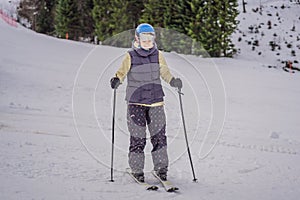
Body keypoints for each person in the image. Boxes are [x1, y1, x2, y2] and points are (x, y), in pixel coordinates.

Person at [110, 23, 182, 182]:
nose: (147, 41)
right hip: (135, 103)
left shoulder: (158, 55)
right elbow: (121, 72)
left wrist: (173, 81)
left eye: (150, 38)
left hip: (156, 102)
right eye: (144, 38)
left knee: (159, 137)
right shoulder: (130, 56)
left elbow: (164, 72)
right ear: (137, 38)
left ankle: (161, 170)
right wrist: (116, 79)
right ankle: (137, 170)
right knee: (138, 137)